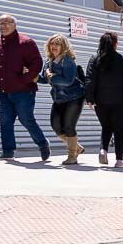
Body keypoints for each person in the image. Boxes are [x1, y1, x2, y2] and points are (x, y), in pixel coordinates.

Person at [0, 15, 49, 161]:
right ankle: (8, 151)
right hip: (4, 91)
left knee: (26, 119)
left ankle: (42, 144)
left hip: (24, 91)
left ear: (15, 25)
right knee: (5, 121)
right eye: (0, 23)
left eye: (7, 23)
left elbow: (36, 64)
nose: (3, 26)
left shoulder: (26, 42)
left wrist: (24, 80)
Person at [39, 34, 86, 165]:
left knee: (69, 126)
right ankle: (76, 147)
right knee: (56, 126)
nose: (54, 46)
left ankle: (72, 156)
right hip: (59, 98)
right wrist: (34, 77)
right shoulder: (48, 61)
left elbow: (68, 81)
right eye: (52, 43)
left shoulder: (67, 60)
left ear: (63, 46)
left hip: (74, 97)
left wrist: (51, 77)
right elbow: (44, 78)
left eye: (57, 44)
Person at [86, 31, 123, 168]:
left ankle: (103, 149)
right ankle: (119, 160)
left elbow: (90, 80)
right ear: (115, 44)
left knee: (106, 126)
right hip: (119, 101)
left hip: (101, 100)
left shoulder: (94, 59)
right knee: (118, 129)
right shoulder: (121, 60)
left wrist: (90, 99)